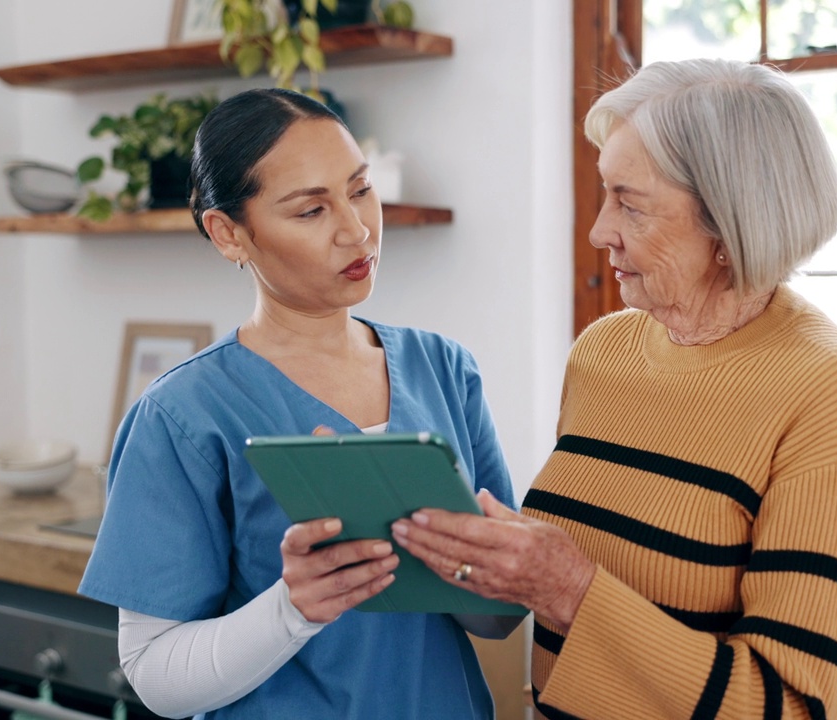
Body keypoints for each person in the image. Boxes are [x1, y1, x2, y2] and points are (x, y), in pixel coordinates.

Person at [391, 58, 837, 720]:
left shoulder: (836, 391)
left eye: (629, 204)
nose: (598, 231)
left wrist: (572, 590)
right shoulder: (604, 350)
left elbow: (785, 706)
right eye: (605, 194)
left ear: (728, 227)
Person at [78, 88, 519, 720]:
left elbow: (498, 621)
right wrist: (293, 607)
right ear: (229, 234)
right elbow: (156, 674)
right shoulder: (185, 415)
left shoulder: (444, 370)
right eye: (311, 211)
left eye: (360, 190)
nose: (356, 228)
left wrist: (462, 559)